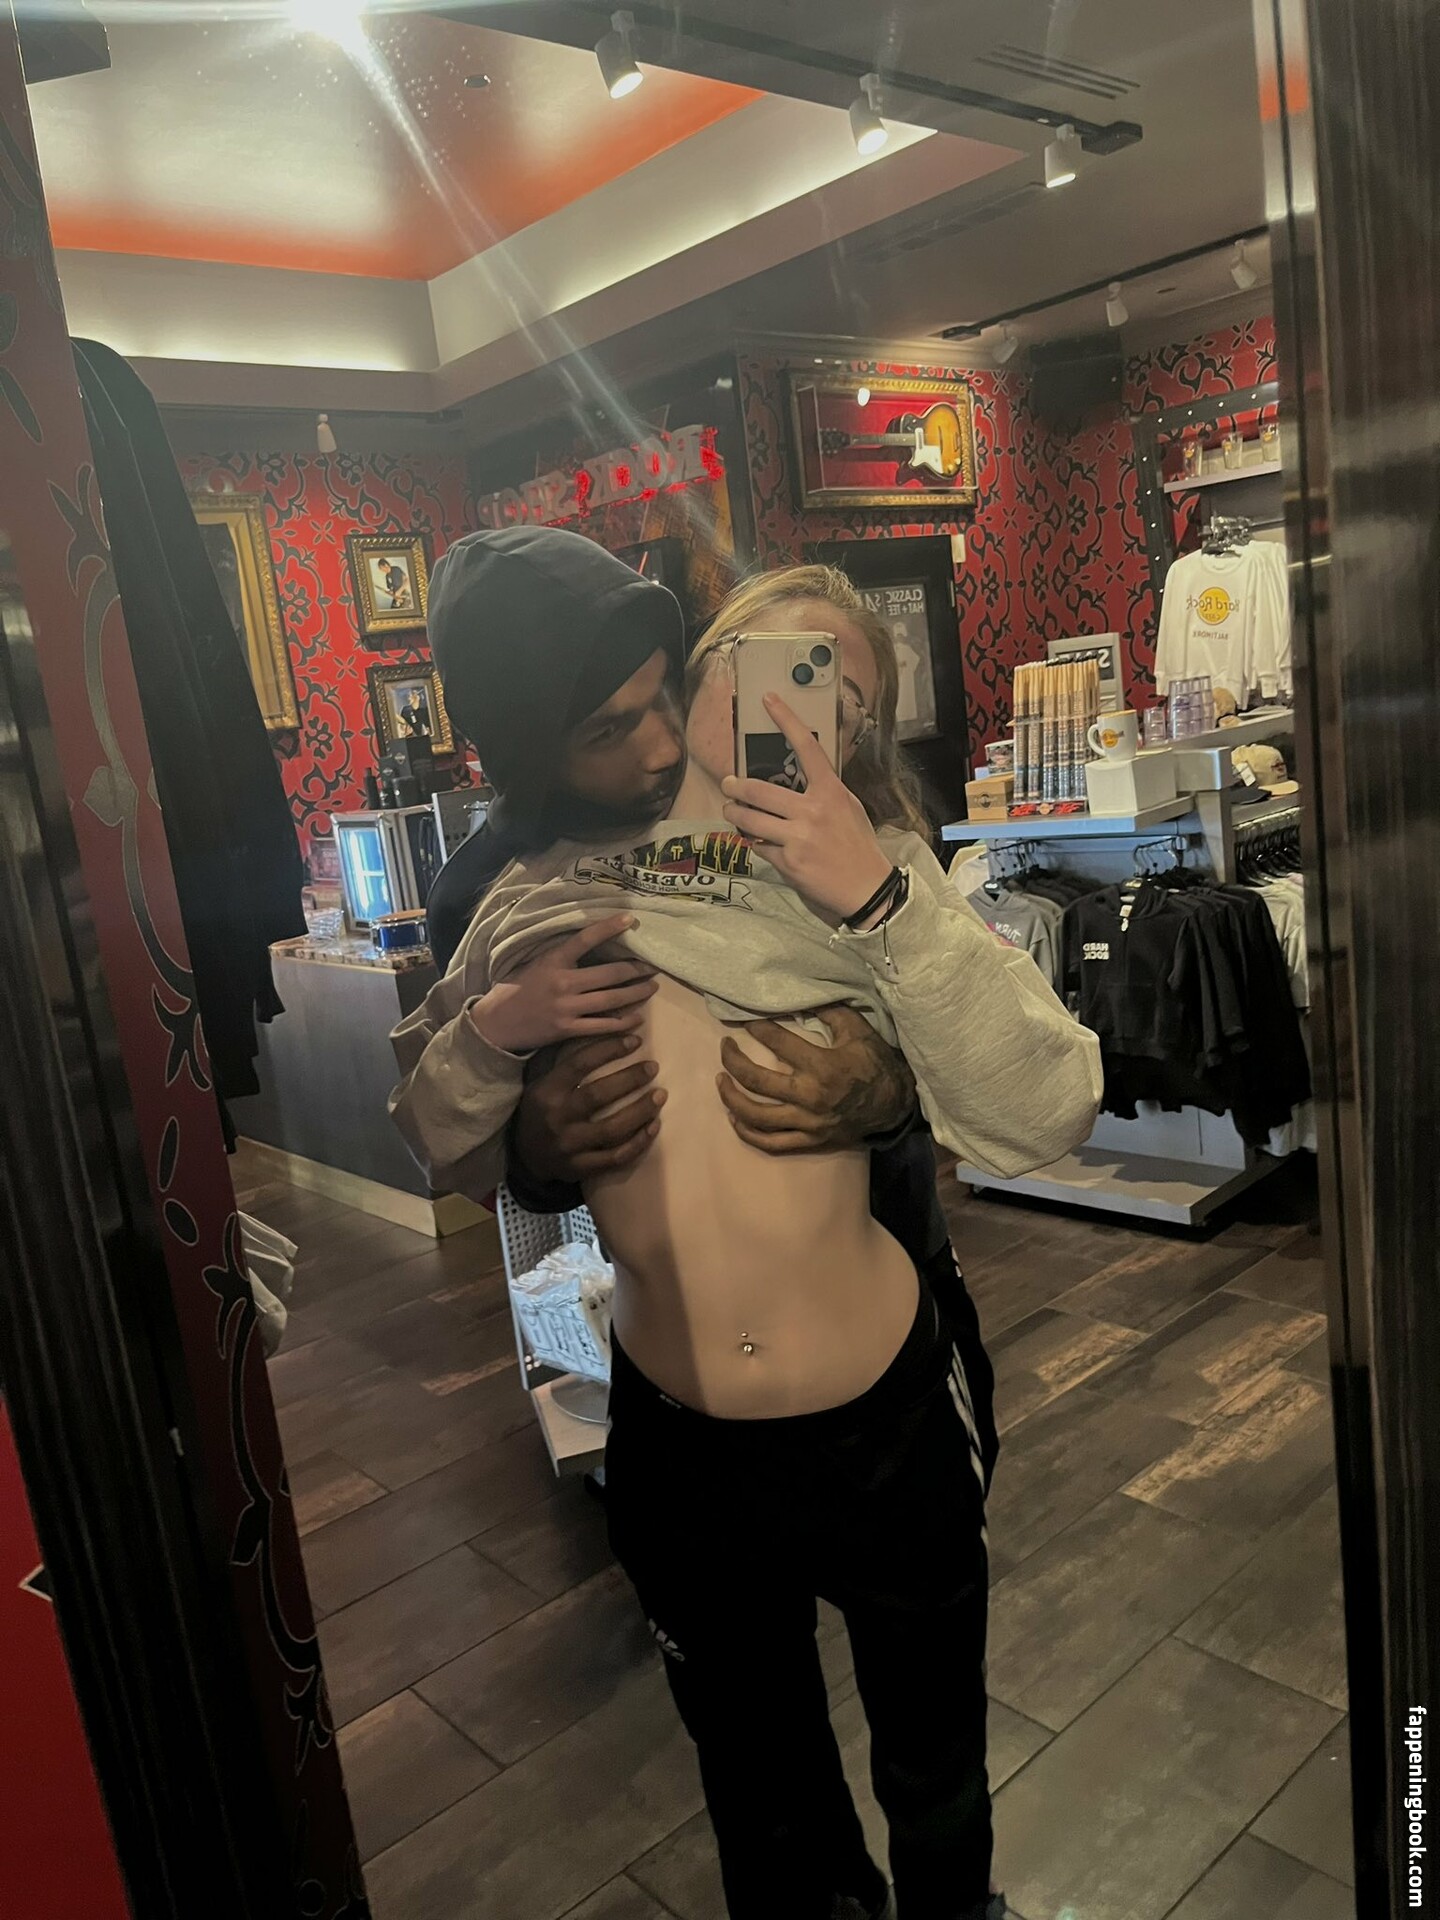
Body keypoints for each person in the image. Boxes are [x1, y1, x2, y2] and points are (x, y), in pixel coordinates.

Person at [392, 538, 1102, 1920]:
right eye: (616, 724)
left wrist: (881, 998)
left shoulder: (858, 858)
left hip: (884, 1401)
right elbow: (463, 1151)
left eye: (838, 694)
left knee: (938, 1775)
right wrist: (528, 1118)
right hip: (677, 1436)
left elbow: (1036, 1103)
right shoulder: (515, 890)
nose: (668, 742)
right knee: (764, 1801)